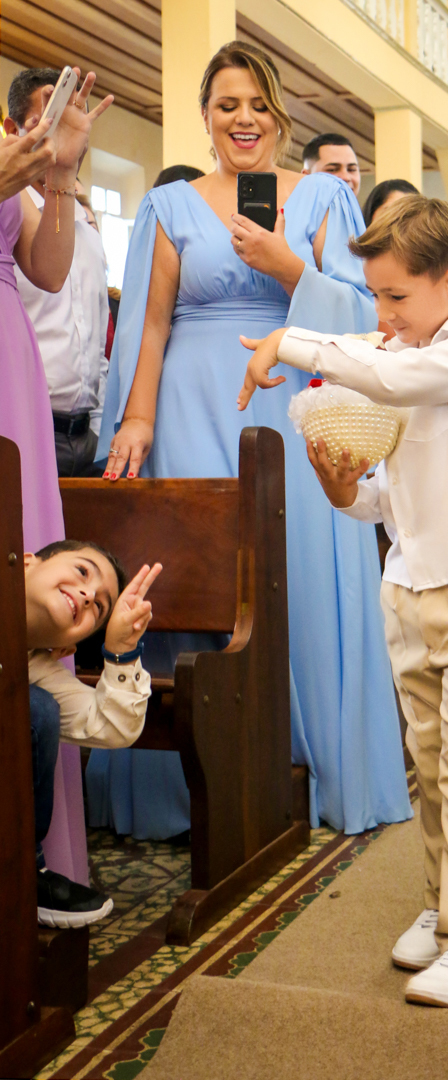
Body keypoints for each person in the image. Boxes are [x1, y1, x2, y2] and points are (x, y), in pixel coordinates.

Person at [92, 40, 411, 840]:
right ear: (205, 118)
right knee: (197, 577)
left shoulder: (326, 202)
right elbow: (151, 322)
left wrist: (290, 271)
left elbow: (363, 313)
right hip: (190, 409)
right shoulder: (169, 209)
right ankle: (187, 786)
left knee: (294, 577)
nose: (244, 118)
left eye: (258, 104)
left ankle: (309, 768)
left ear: (281, 116)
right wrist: (136, 418)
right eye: (227, 104)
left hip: (292, 402)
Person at [238, 195, 448, 1010]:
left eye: (395, 297)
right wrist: (349, 491)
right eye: (374, 296)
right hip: (411, 585)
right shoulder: (403, 346)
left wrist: (290, 340)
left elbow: (391, 375)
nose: (383, 315)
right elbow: (392, 495)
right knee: (435, 769)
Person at [0, 67, 112, 885]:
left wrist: (61, 177)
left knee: (26, 562)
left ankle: (37, 854)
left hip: (11, 360)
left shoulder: (8, 146)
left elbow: (43, 269)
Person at [26, 541, 161, 926]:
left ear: (64, 645)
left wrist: (121, 649)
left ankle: (25, 874)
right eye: (83, 572)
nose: (87, 595)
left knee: (38, 709)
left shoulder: (36, 670)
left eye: (99, 608)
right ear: (27, 563)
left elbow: (112, 725)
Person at [6, 68, 111, 478]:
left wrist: (63, 170)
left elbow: (53, 277)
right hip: (23, 409)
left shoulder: (78, 226)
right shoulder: (12, 197)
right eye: (41, 123)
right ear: (11, 129)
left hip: (83, 432)